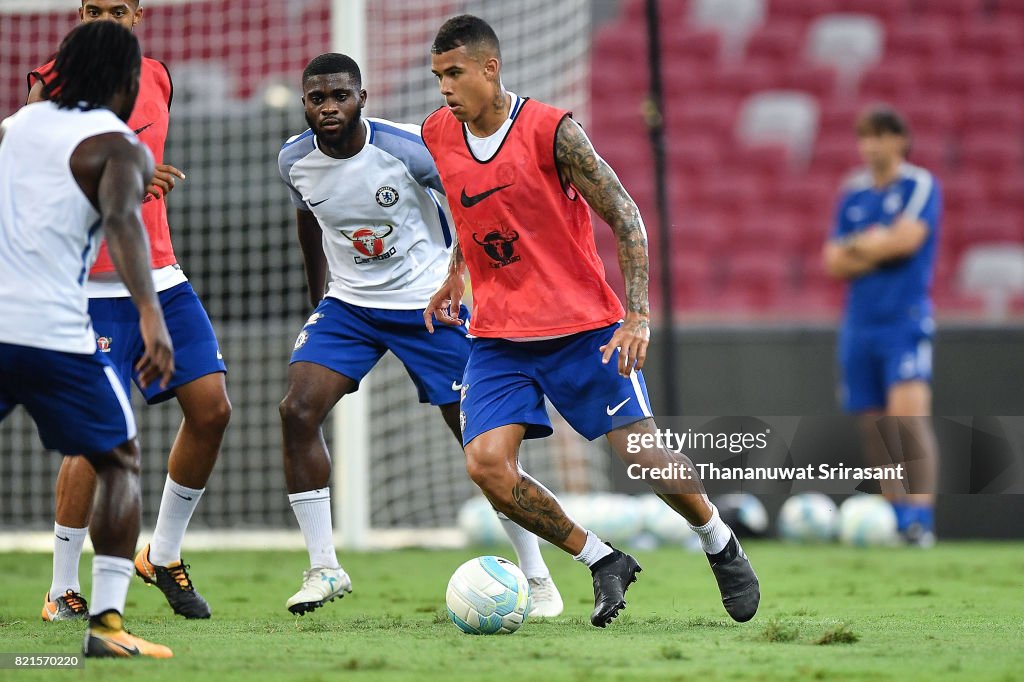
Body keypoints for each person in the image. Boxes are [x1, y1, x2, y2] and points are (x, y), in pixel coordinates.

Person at [421, 15, 759, 628]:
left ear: (490, 68)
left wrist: (637, 314)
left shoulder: (554, 132)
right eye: (437, 75)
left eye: (455, 73)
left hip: (582, 328)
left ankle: (718, 540)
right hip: (498, 335)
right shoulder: (437, 132)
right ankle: (602, 559)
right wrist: (456, 271)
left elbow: (625, 214)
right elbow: (470, 210)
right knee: (487, 466)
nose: (444, 87)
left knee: (644, 458)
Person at [277, 53, 562, 617]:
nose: (328, 107)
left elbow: (467, 203)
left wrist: (466, 276)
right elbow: (308, 215)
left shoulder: (407, 149)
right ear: (304, 104)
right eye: (317, 98)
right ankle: (324, 568)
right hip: (351, 306)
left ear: (362, 97)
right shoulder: (293, 160)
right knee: (296, 410)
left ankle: (538, 578)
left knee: (482, 445)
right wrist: (321, 297)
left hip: (427, 303)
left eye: (340, 95)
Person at [27, 0, 230, 621]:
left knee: (212, 410)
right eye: (95, 9)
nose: (107, 19)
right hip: (87, 286)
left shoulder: (158, 76)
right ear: (80, 13)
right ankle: (63, 588)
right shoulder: (49, 83)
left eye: (119, 9)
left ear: (138, 15)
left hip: (159, 277)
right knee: (96, 439)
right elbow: (33, 178)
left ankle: (161, 555)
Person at [0, 21, 175, 658]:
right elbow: (126, 226)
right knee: (120, 458)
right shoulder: (120, 145)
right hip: (52, 335)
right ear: (127, 81)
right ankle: (104, 626)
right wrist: (152, 320)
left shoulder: (17, 126)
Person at [823, 106, 941, 547]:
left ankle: (921, 517)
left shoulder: (919, 184)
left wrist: (866, 248)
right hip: (859, 323)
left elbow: (908, 240)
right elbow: (832, 260)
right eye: (864, 137)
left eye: (878, 136)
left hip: (903, 321)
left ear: (898, 141)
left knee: (906, 422)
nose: (870, 145)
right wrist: (871, 243)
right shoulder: (852, 193)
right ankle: (896, 517)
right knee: (873, 426)